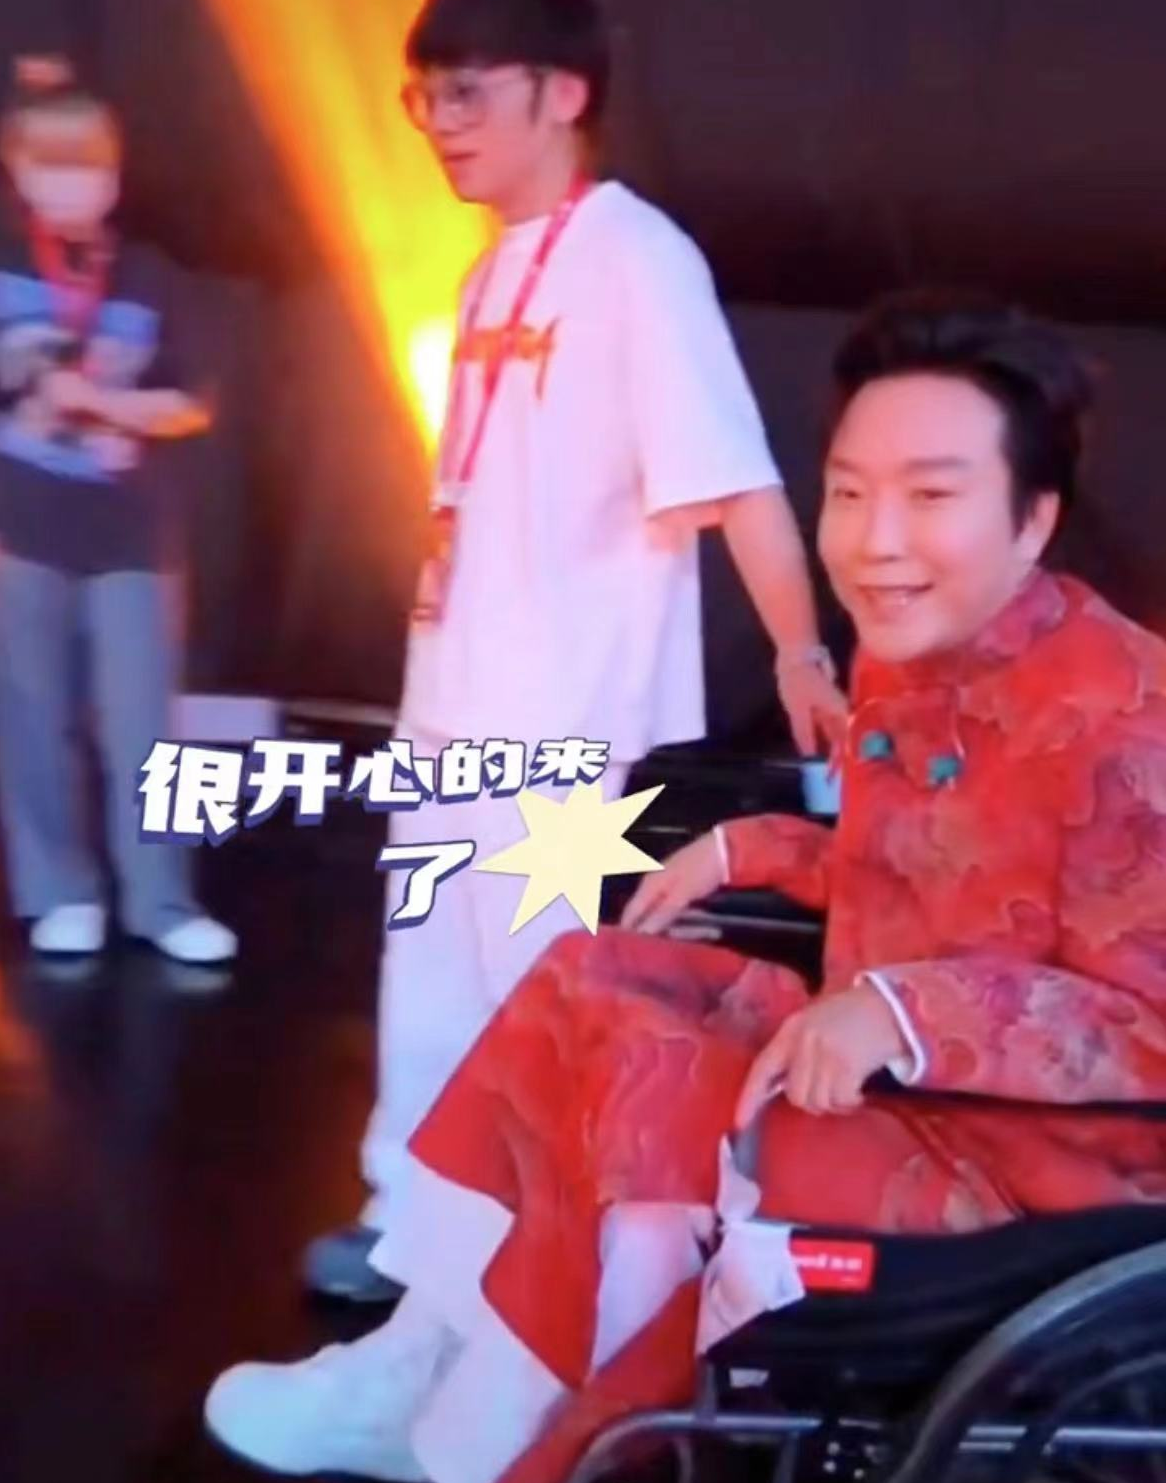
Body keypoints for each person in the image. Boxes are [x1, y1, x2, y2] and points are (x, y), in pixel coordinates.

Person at [207, 291, 1166, 1482]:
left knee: (656, 1089)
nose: (873, 540)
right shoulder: (912, 651)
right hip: (877, 1069)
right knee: (589, 977)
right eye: (848, 492)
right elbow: (934, 870)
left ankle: (506, 1425)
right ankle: (425, 1349)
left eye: (929, 497)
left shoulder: (1125, 719)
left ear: (1032, 519)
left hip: (1037, 1169)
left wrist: (904, 1014)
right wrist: (748, 848)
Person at [305, 0, 846, 1300]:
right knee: (427, 963)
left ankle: (533, 1253)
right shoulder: (486, 271)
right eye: (422, 99)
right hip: (451, 698)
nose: (438, 124)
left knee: (538, 976)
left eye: (464, 93)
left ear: (560, 93)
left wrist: (797, 651)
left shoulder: (638, 261)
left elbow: (734, 480)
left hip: (564, 717)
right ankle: (413, 1217)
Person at [0, 56, 236, 964]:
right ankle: (61, 891)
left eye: (91, 166)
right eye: (53, 166)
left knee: (144, 727)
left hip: (133, 538)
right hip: (21, 532)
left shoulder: (149, 276)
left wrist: (101, 404)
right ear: (19, 168)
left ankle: (162, 902)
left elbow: (193, 403)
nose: (75, 186)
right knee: (32, 719)